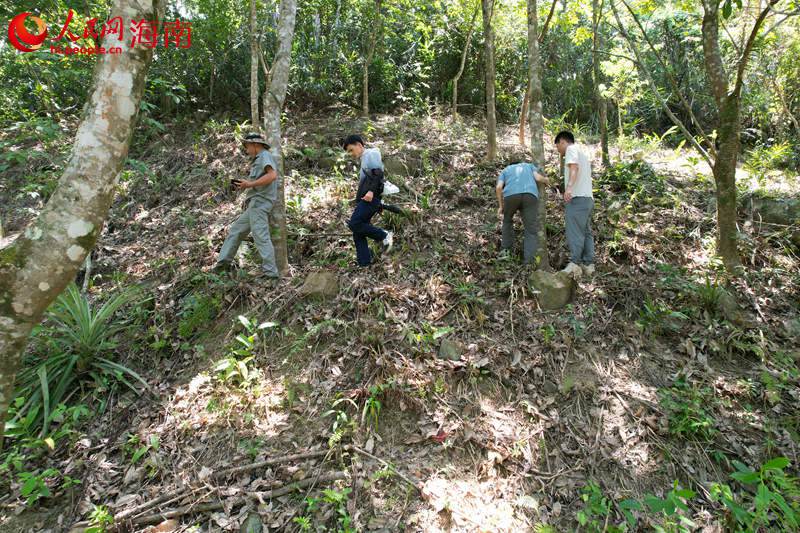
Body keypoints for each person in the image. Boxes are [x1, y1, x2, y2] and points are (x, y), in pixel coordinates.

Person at [213, 132, 280, 280]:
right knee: (236, 231)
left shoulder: (264, 156)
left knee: (260, 237)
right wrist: (246, 184)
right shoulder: (259, 158)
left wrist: (249, 184)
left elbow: (272, 175)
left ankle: (271, 274)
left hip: (260, 203)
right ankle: (222, 266)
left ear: (256, 145)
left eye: (247, 146)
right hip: (254, 204)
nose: (246, 150)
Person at [342, 134, 394, 267]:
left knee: (354, 223)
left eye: (351, 150)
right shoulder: (365, 158)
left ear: (359, 145)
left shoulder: (370, 153)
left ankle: (384, 235)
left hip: (371, 199)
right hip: (366, 199)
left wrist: (371, 191)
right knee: (358, 231)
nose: (351, 153)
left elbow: (378, 174)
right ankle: (364, 263)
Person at [555, 130, 594, 277]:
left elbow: (574, 168)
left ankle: (575, 263)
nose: (559, 151)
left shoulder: (571, 149)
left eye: (558, 147)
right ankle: (588, 264)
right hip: (588, 198)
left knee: (575, 231)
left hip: (577, 198)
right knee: (586, 231)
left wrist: (569, 187)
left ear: (563, 142)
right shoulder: (582, 153)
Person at [495, 160, 548, 264]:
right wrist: (546, 180)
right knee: (530, 229)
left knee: (507, 221)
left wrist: (501, 206)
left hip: (510, 196)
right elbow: (537, 178)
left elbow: (499, 187)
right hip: (530, 195)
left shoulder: (505, 170)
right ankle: (529, 262)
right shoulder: (529, 166)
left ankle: (506, 253)